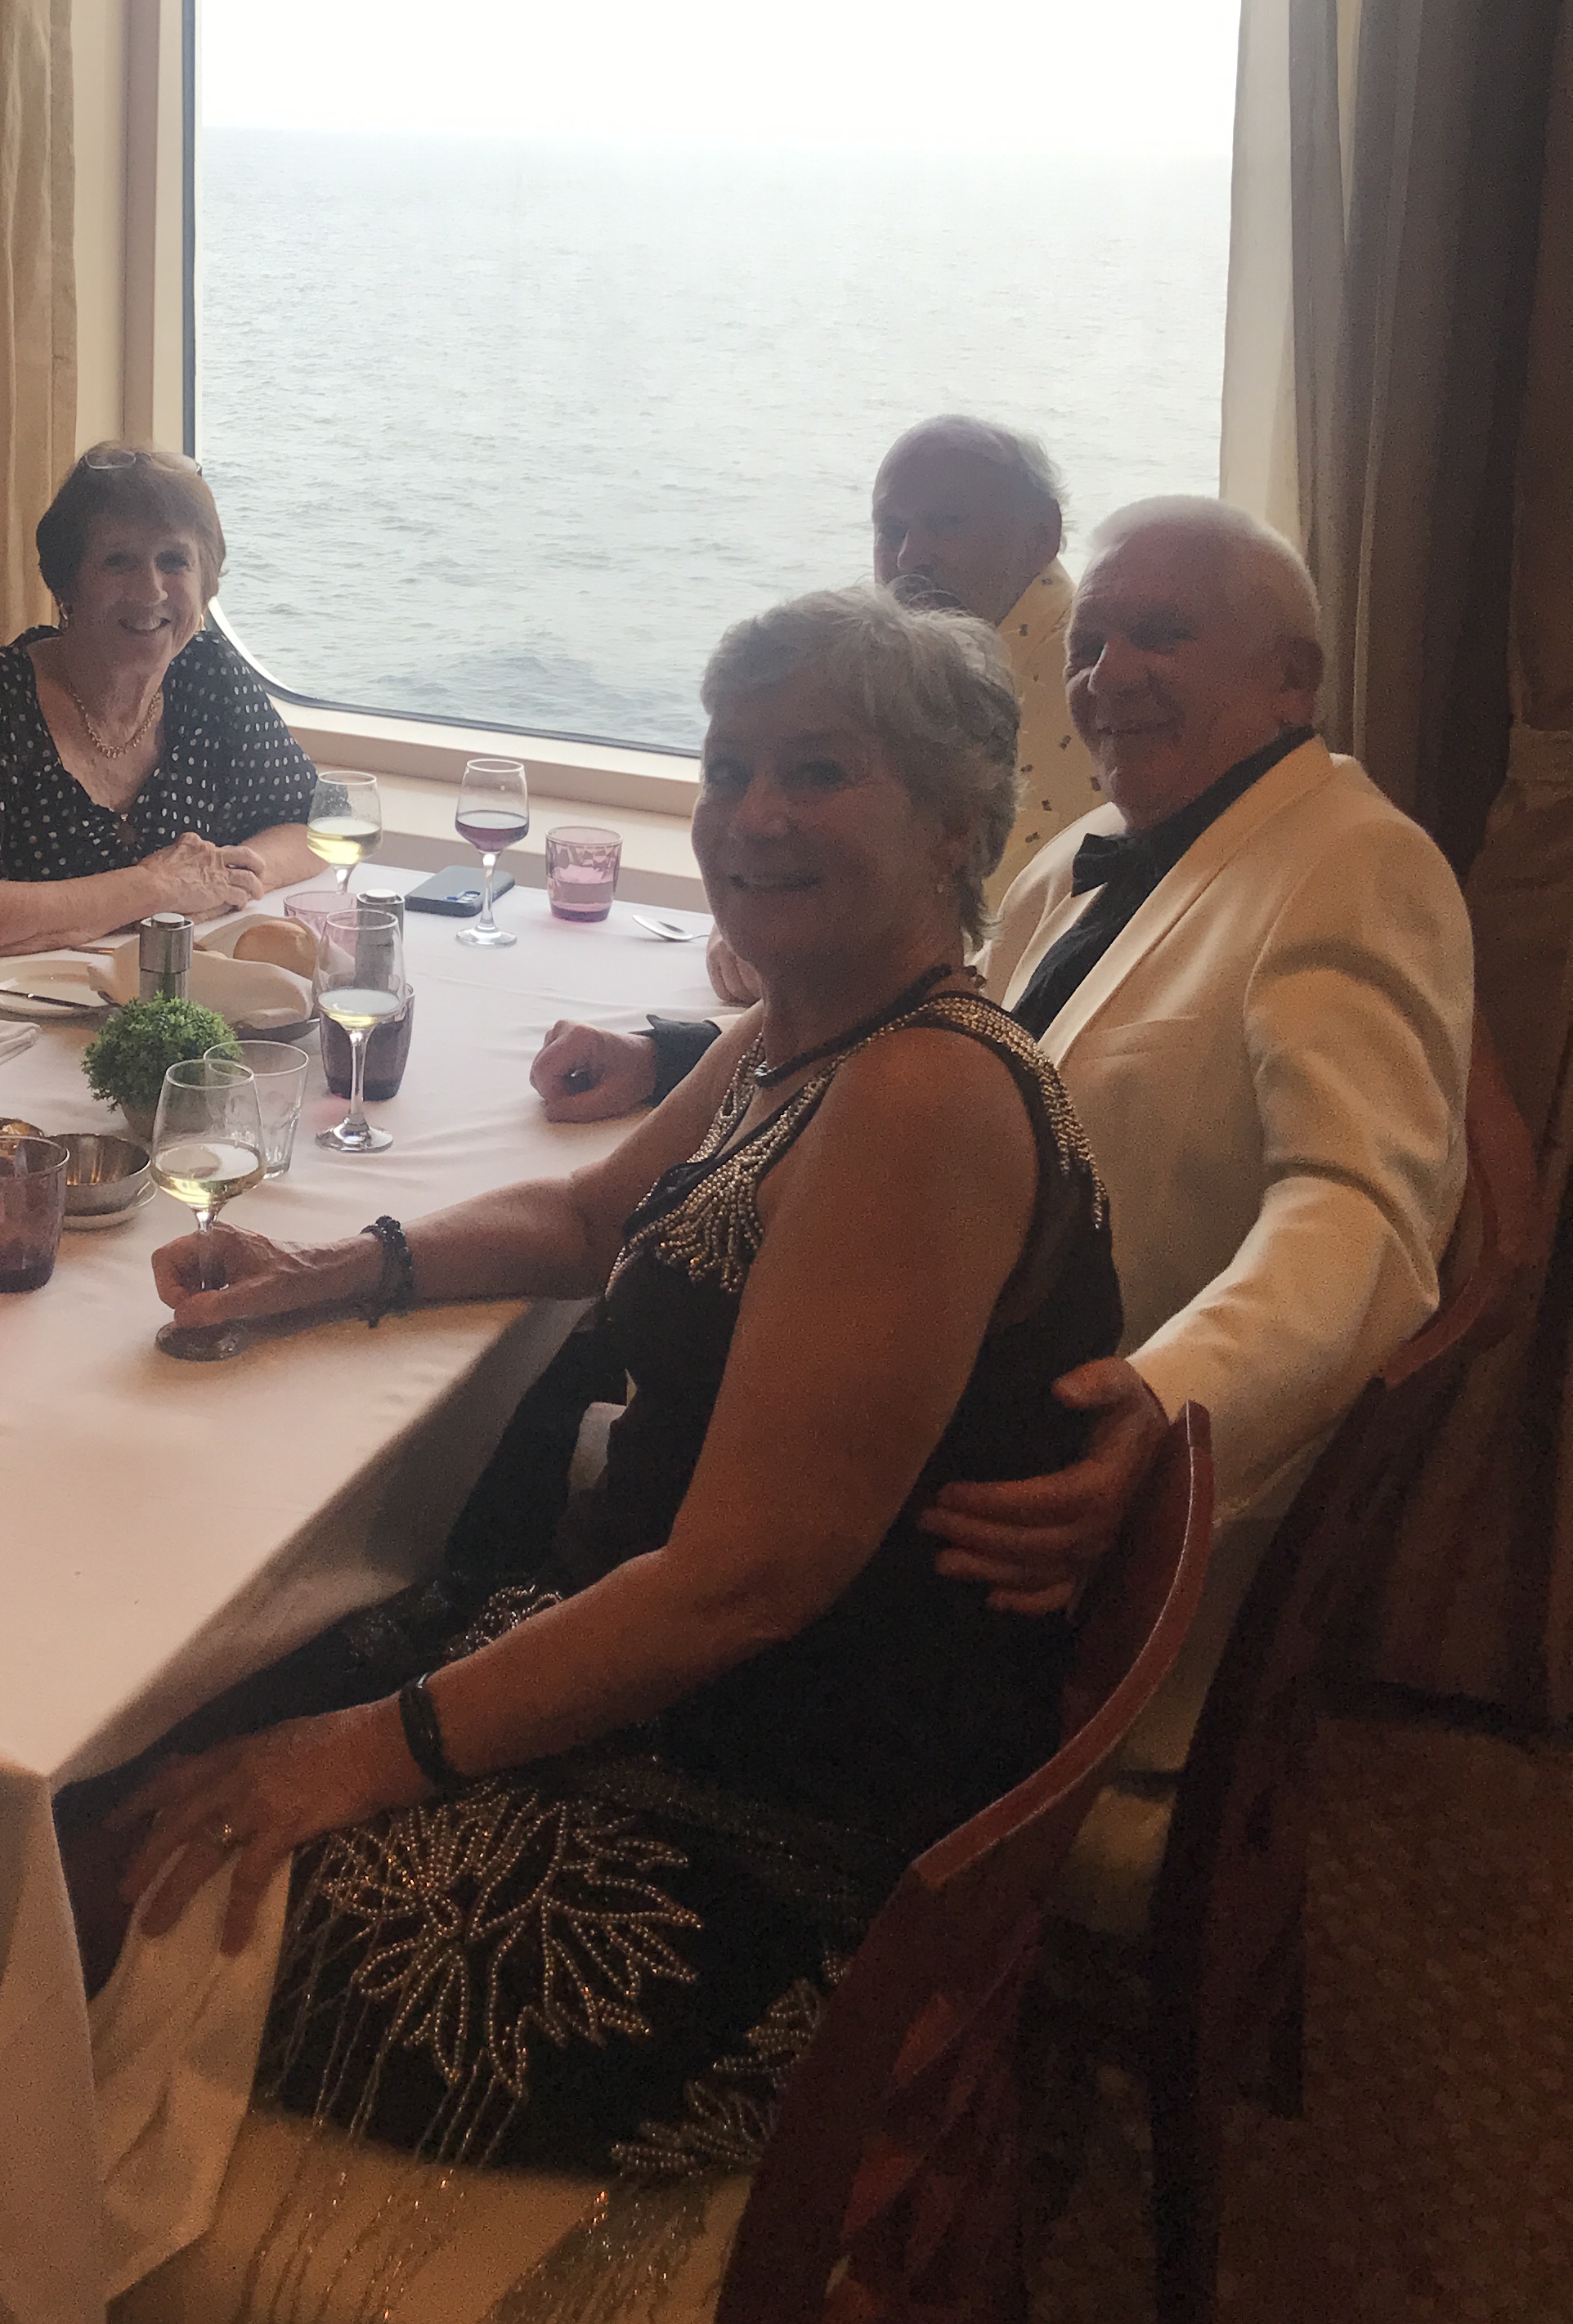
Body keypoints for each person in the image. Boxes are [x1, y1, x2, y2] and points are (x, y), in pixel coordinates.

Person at [0, 590, 1125, 2324]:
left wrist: (367, 1753)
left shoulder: (918, 1098)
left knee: (121, 1868)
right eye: (729, 768)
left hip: (762, 1854)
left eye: (816, 775)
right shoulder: (812, 1029)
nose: (751, 815)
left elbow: (740, 1586)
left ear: (952, 820)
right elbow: (584, 1218)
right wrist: (330, 1273)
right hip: (684, 1712)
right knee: (123, 1737)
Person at [536, 498, 1474, 1657]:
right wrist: (669, 1053)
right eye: (1088, 643)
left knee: (550, 1408)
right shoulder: (1084, 855)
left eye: (1162, 636)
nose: (1108, 675)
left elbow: (1358, 1212)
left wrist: (1171, 1398)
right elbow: (934, 1014)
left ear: (1294, 680)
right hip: (914, 1404)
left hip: (1048, 1525)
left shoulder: (1357, 861)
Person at [0, 443, 321, 996]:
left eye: (174, 561)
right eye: (118, 561)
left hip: (88, 998)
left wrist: (229, 877)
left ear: (207, 582)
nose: (150, 589)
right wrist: (155, 888)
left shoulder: (210, 677)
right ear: (66, 584)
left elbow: (313, 823)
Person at [697, 412, 1094, 1003]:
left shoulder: (1086, 686)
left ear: (1042, 535)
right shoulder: (905, 668)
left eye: (947, 524)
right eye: (891, 529)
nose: (911, 557)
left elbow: (971, 949)